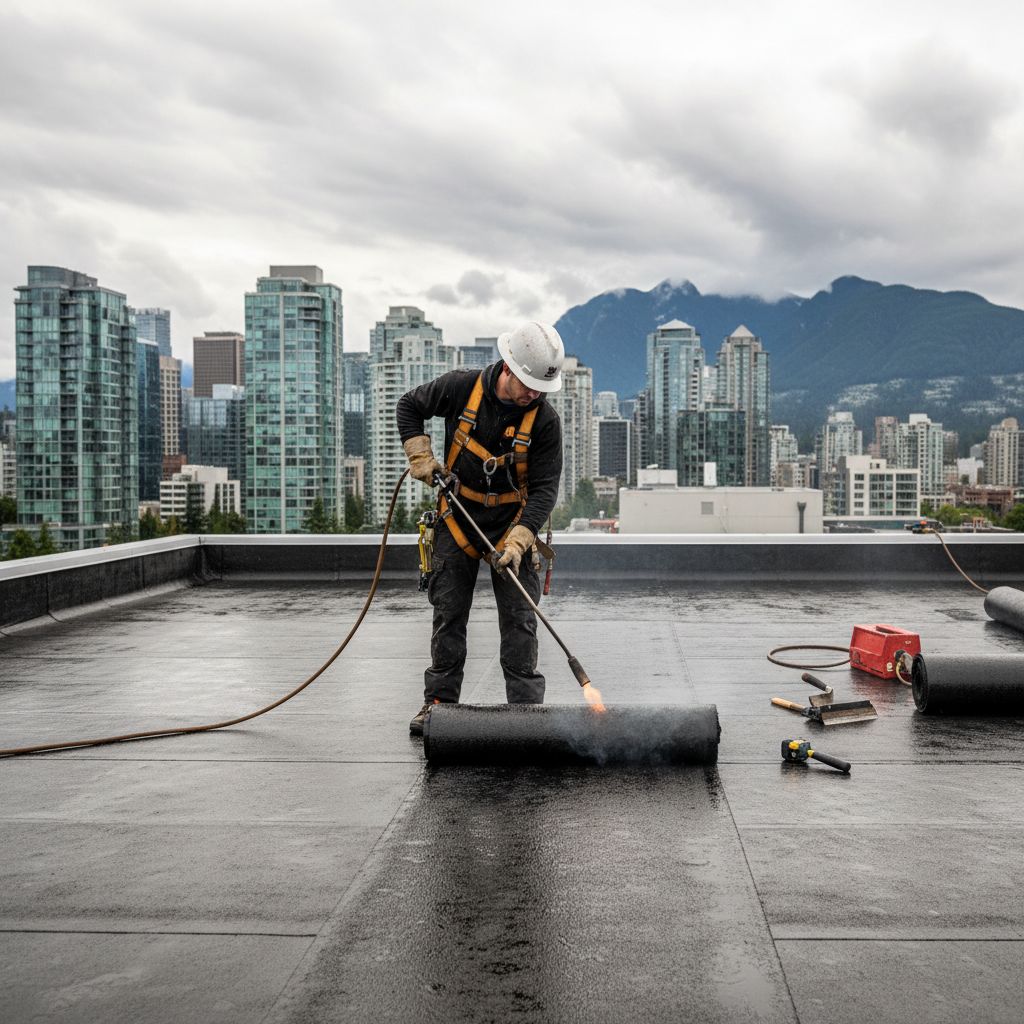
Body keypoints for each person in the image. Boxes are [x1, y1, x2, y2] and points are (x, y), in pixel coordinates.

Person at [396, 321, 565, 734]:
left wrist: (522, 537)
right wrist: (420, 454)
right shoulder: (459, 388)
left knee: (520, 621)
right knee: (449, 615)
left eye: (541, 389)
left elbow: (545, 488)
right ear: (508, 368)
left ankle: (526, 714)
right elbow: (408, 407)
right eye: (528, 385)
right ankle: (438, 703)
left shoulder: (544, 421)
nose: (534, 395)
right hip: (458, 519)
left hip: (513, 525)